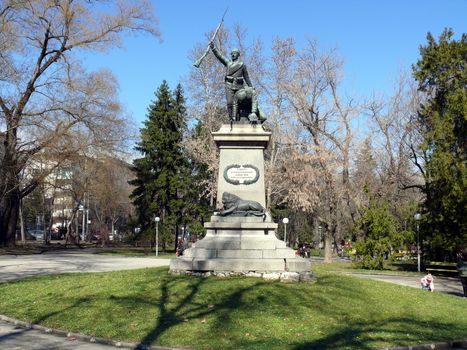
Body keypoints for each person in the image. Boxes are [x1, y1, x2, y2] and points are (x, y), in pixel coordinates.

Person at [210, 42, 252, 120]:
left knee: (239, 103)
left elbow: (246, 77)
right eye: (231, 53)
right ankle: (231, 118)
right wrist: (213, 48)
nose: (233, 55)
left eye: (235, 53)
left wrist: (251, 87)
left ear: (238, 55)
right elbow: (220, 56)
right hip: (229, 85)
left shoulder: (242, 65)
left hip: (239, 86)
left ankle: (238, 118)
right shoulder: (228, 63)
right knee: (230, 103)